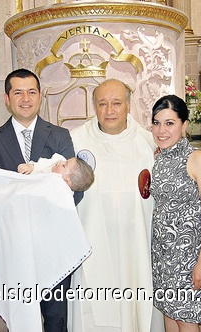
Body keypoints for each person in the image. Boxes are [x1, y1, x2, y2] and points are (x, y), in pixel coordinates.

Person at [0, 68, 78, 332]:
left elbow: (74, 188)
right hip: (11, 244)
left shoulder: (60, 136)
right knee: (18, 318)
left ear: (40, 96)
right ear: (6, 98)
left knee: (56, 318)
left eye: (31, 92)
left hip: (52, 242)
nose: (25, 98)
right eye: (18, 92)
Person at [69, 78, 164, 331]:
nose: (109, 110)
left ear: (129, 105)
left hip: (137, 246)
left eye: (116, 103)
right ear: (94, 107)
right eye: (102, 103)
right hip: (93, 244)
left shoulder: (149, 142)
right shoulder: (75, 141)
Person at [149, 95, 201, 332]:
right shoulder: (158, 158)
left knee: (186, 320)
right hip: (163, 256)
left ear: (184, 125)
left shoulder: (197, 160)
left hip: (189, 258)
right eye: (157, 123)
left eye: (169, 123)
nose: (161, 130)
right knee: (169, 315)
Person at [17, 154, 94, 191]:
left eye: (64, 165)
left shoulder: (61, 191)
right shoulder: (54, 163)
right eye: (66, 161)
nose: (61, 162)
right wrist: (32, 167)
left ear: (67, 181)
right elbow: (44, 163)